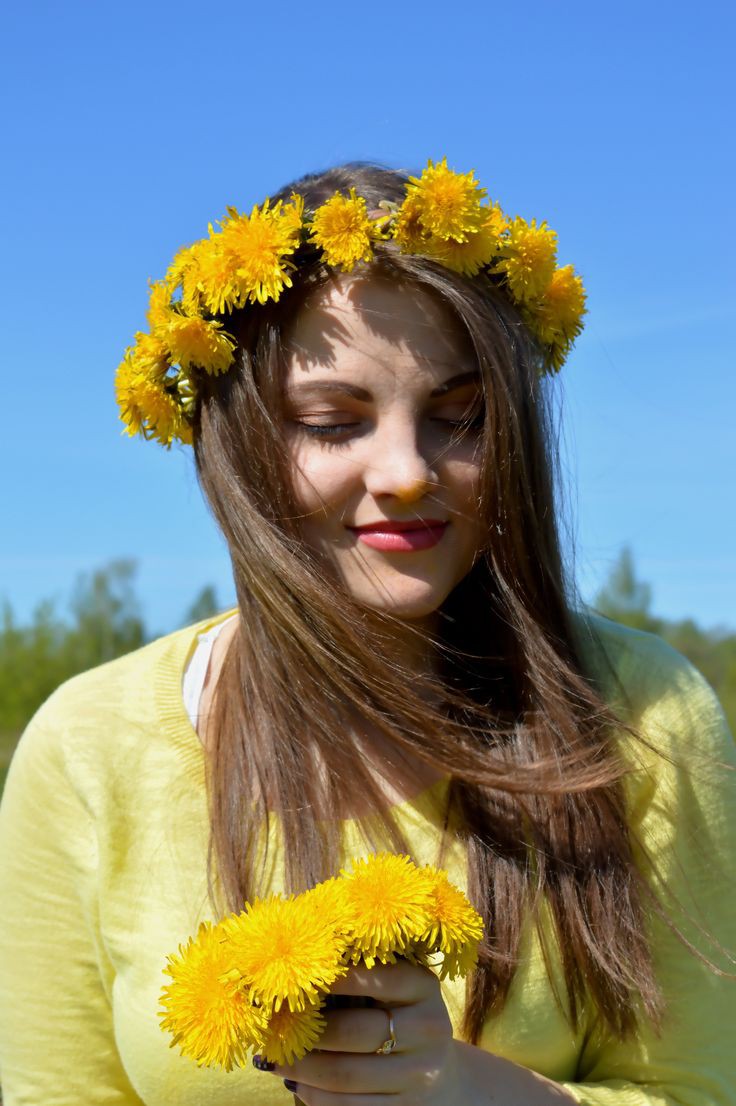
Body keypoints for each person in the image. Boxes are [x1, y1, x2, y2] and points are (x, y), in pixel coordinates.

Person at [0, 159, 734, 1106]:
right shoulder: (88, 745)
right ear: (238, 444)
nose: (405, 471)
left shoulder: (646, 712)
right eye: (333, 422)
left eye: (459, 417)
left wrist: (465, 1090)